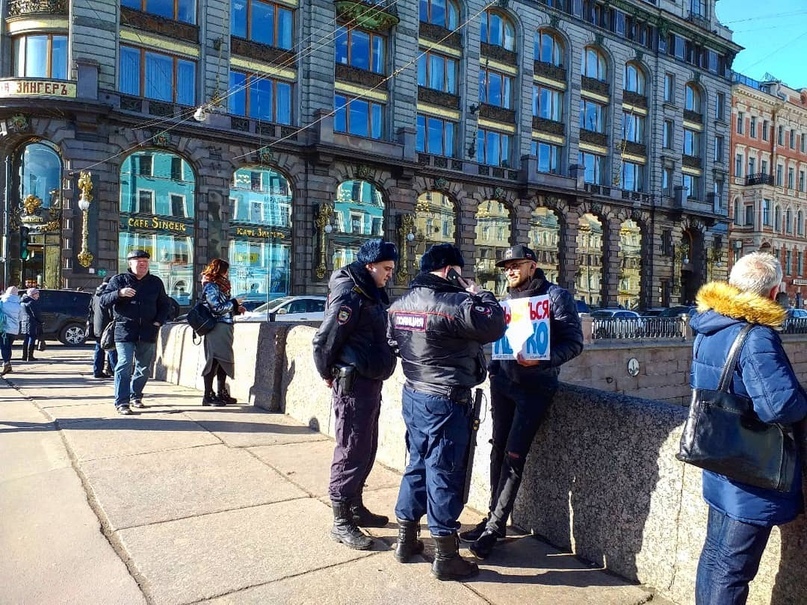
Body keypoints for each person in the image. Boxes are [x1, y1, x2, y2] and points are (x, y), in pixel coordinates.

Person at [689, 252, 807, 604]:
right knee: (733, 570)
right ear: (772, 293)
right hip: (751, 473)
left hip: (719, 457)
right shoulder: (756, 336)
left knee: (713, 557)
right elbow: (780, 406)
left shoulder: (711, 324)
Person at [387, 243, 506, 581]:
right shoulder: (456, 303)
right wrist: (480, 292)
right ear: (450, 270)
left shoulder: (399, 306)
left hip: (414, 394)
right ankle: (446, 556)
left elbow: (393, 343)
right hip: (446, 401)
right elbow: (494, 325)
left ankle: (406, 540)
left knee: (417, 463)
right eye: (460, 271)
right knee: (444, 472)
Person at [461, 244, 584, 559]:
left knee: (514, 456)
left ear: (532, 265)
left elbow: (574, 343)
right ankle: (494, 519)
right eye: (506, 267)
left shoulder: (555, 296)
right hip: (503, 383)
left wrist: (542, 361)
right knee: (497, 450)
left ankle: (494, 527)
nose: (510, 271)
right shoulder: (507, 299)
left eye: (515, 265)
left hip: (535, 388)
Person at [312, 239, 399, 551]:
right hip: (353, 382)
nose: (390, 274)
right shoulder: (351, 292)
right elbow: (325, 339)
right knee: (351, 449)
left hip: (368, 379)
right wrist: (326, 373)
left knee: (366, 445)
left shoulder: (369, 290)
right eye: (386, 269)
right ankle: (341, 520)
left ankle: (355, 504)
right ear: (369, 266)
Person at [101, 250, 171, 415]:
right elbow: (103, 301)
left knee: (144, 367)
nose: (143, 265)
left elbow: (164, 304)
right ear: (130, 263)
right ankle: (122, 402)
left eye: (145, 262)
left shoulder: (155, 282)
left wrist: (158, 322)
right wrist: (119, 293)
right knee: (124, 365)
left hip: (148, 331)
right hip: (124, 330)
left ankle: (136, 395)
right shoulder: (119, 280)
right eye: (139, 261)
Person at [199, 258, 245, 406]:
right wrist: (234, 303)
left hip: (224, 327)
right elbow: (217, 308)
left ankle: (221, 392)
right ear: (221, 271)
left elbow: (224, 308)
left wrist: (236, 309)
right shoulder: (211, 286)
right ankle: (208, 395)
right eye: (227, 271)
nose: (228, 274)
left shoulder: (221, 286)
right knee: (214, 361)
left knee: (223, 361)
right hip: (216, 328)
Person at [89, 277, 117, 378]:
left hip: (97, 326)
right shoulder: (108, 294)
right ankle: (114, 370)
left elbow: (91, 310)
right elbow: (111, 312)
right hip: (107, 326)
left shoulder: (96, 294)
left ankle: (97, 371)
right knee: (111, 348)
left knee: (99, 349)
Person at [0, 286, 22, 375]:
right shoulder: (19, 304)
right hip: (14, 329)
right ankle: (7, 363)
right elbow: (21, 318)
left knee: (4, 347)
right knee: (8, 346)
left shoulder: (2, 302)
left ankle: (6, 363)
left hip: (3, 328)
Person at [19, 288, 44, 362]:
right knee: (32, 338)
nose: (38, 296)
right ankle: (30, 356)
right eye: (37, 294)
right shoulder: (32, 302)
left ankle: (24, 356)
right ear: (32, 294)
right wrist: (41, 321)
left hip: (25, 322)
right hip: (32, 322)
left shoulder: (23, 302)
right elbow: (36, 314)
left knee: (26, 339)